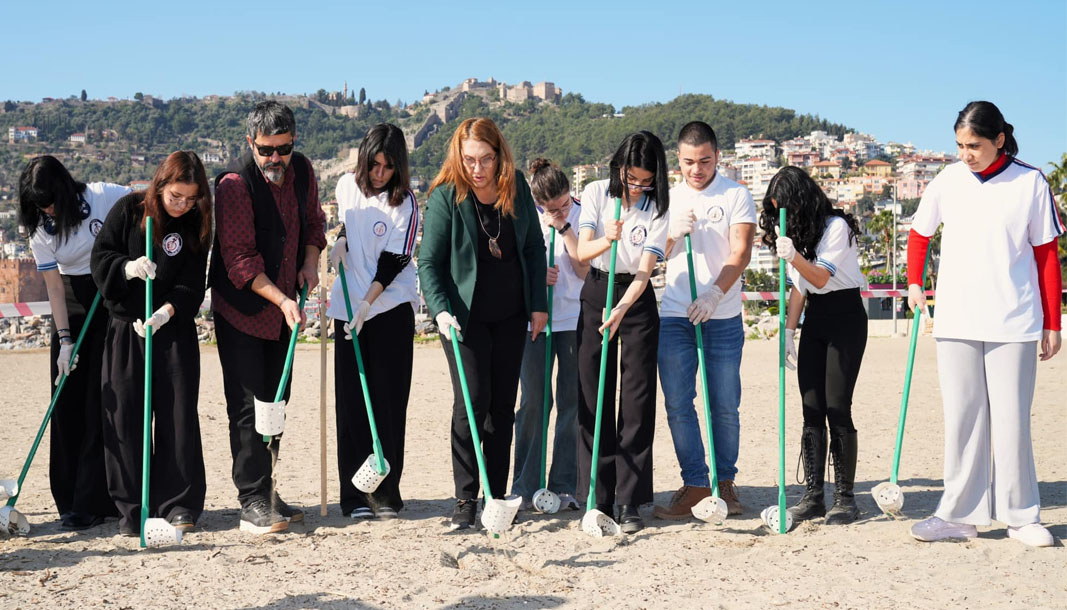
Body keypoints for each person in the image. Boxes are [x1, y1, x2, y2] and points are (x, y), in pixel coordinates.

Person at [908, 101, 1063, 547]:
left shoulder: (1030, 181)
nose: (965, 154)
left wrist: (1053, 323)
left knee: (1012, 420)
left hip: (1014, 321)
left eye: (973, 145)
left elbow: (1046, 256)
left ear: (999, 140)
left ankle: (1022, 517)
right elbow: (919, 234)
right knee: (963, 419)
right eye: (959, 145)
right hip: (955, 320)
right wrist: (915, 283)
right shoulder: (947, 179)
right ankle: (958, 515)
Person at [417, 117, 548, 530]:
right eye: (470, 159)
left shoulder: (516, 186)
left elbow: (533, 247)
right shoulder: (445, 195)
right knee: (471, 403)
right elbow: (429, 262)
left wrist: (538, 305)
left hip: (510, 315)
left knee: (501, 407)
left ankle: (495, 496)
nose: (477, 168)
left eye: (486, 159)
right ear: (459, 157)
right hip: (462, 319)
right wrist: (440, 310)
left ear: (499, 155)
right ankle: (465, 498)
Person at [210, 101, 327, 534]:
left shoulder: (305, 171)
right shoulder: (234, 185)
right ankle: (251, 499)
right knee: (248, 408)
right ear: (250, 143)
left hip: (282, 313)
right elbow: (240, 260)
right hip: (242, 312)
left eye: (284, 148)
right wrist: (281, 300)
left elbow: (314, 224)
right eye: (266, 150)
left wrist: (310, 264)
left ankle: (268, 488)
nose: (276, 158)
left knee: (276, 402)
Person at [90, 151, 210, 536]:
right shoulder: (129, 210)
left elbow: (192, 284)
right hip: (127, 328)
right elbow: (100, 258)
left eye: (190, 198)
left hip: (171, 329)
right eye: (176, 196)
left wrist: (165, 313)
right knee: (126, 417)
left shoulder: (196, 222)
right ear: (160, 186)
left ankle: (178, 504)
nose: (182, 205)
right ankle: (132, 508)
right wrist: (127, 268)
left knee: (177, 415)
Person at [18, 156, 128, 530]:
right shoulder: (38, 227)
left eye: (51, 202)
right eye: (39, 205)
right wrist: (65, 341)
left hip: (108, 298)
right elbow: (53, 287)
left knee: (101, 402)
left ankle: (93, 501)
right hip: (70, 303)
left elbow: (142, 204)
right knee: (66, 403)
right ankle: (67, 499)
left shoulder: (102, 196)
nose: (47, 210)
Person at [653, 122, 756, 520]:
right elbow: (651, 254)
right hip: (675, 314)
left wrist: (714, 294)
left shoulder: (735, 194)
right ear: (677, 159)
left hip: (722, 315)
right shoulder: (667, 197)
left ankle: (725, 483)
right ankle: (696, 483)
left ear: (718, 156)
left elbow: (741, 252)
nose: (696, 170)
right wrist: (671, 236)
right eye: (688, 162)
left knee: (725, 405)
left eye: (705, 161)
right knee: (678, 403)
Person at [759, 166, 866, 525]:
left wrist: (793, 256)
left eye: (785, 208)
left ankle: (845, 498)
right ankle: (814, 496)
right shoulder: (798, 235)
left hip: (845, 317)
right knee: (811, 407)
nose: (782, 216)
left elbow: (819, 277)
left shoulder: (837, 227)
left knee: (837, 406)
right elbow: (800, 288)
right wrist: (789, 331)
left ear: (802, 201)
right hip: (816, 318)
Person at [575, 131, 670, 534]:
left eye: (646, 181)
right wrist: (605, 239)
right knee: (593, 395)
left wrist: (623, 308)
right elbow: (582, 252)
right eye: (631, 178)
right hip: (597, 289)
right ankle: (598, 497)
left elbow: (645, 272)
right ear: (619, 168)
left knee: (636, 400)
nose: (637, 187)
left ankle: (630, 499)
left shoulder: (658, 207)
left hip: (635, 299)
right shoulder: (596, 191)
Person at [327, 123, 419, 520]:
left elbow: (394, 260)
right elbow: (349, 224)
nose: (380, 174)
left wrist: (368, 304)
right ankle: (353, 497)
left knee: (387, 402)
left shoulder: (406, 203)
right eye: (374, 165)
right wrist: (340, 241)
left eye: (388, 167)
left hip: (388, 308)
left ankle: (385, 494)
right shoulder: (346, 186)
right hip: (348, 308)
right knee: (351, 402)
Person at [510, 158, 588, 511]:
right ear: (538, 202)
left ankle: (564, 484)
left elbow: (585, 270)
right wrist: (536, 277)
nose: (558, 212)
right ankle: (524, 486)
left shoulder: (584, 214)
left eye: (563, 204)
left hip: (574, 319)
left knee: (572, 404)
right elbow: (514, 266)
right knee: (534, 402)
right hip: (535, 322)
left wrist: (565, 228)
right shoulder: (525, 216)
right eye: (551, 209)